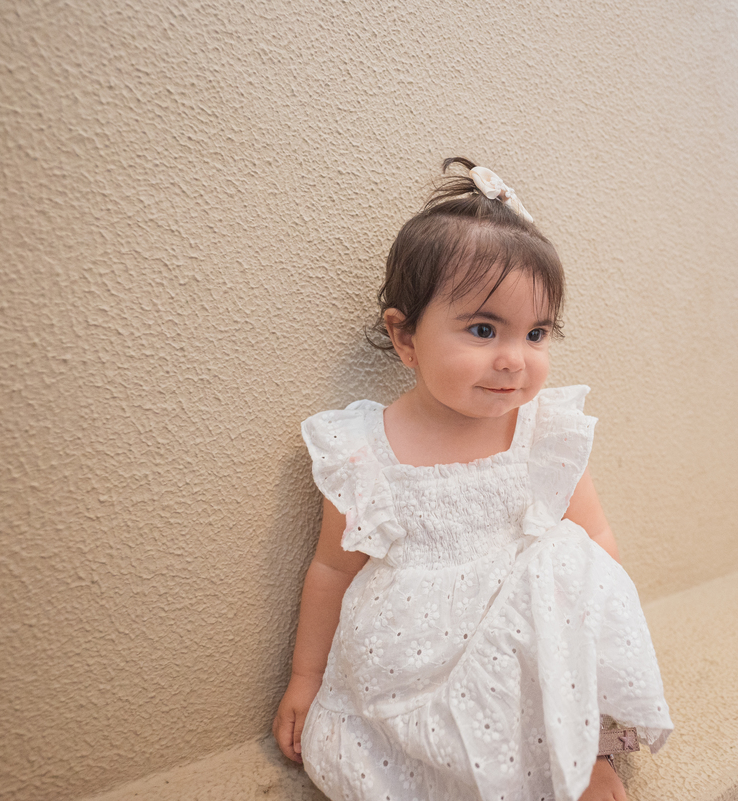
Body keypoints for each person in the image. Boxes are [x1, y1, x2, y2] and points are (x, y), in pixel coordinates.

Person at [273, 158, 673, 801]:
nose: (514, 359)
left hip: (518, 646)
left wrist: (592, 672)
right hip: (409, 656)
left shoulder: (545, 433)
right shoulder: (362, 450)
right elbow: (331, 570)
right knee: (414, 753)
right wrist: (304, 675)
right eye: (483, 329)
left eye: (536, 333)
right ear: (405, 337)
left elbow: (595, 544)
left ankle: (572, 756)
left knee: (564, 558)